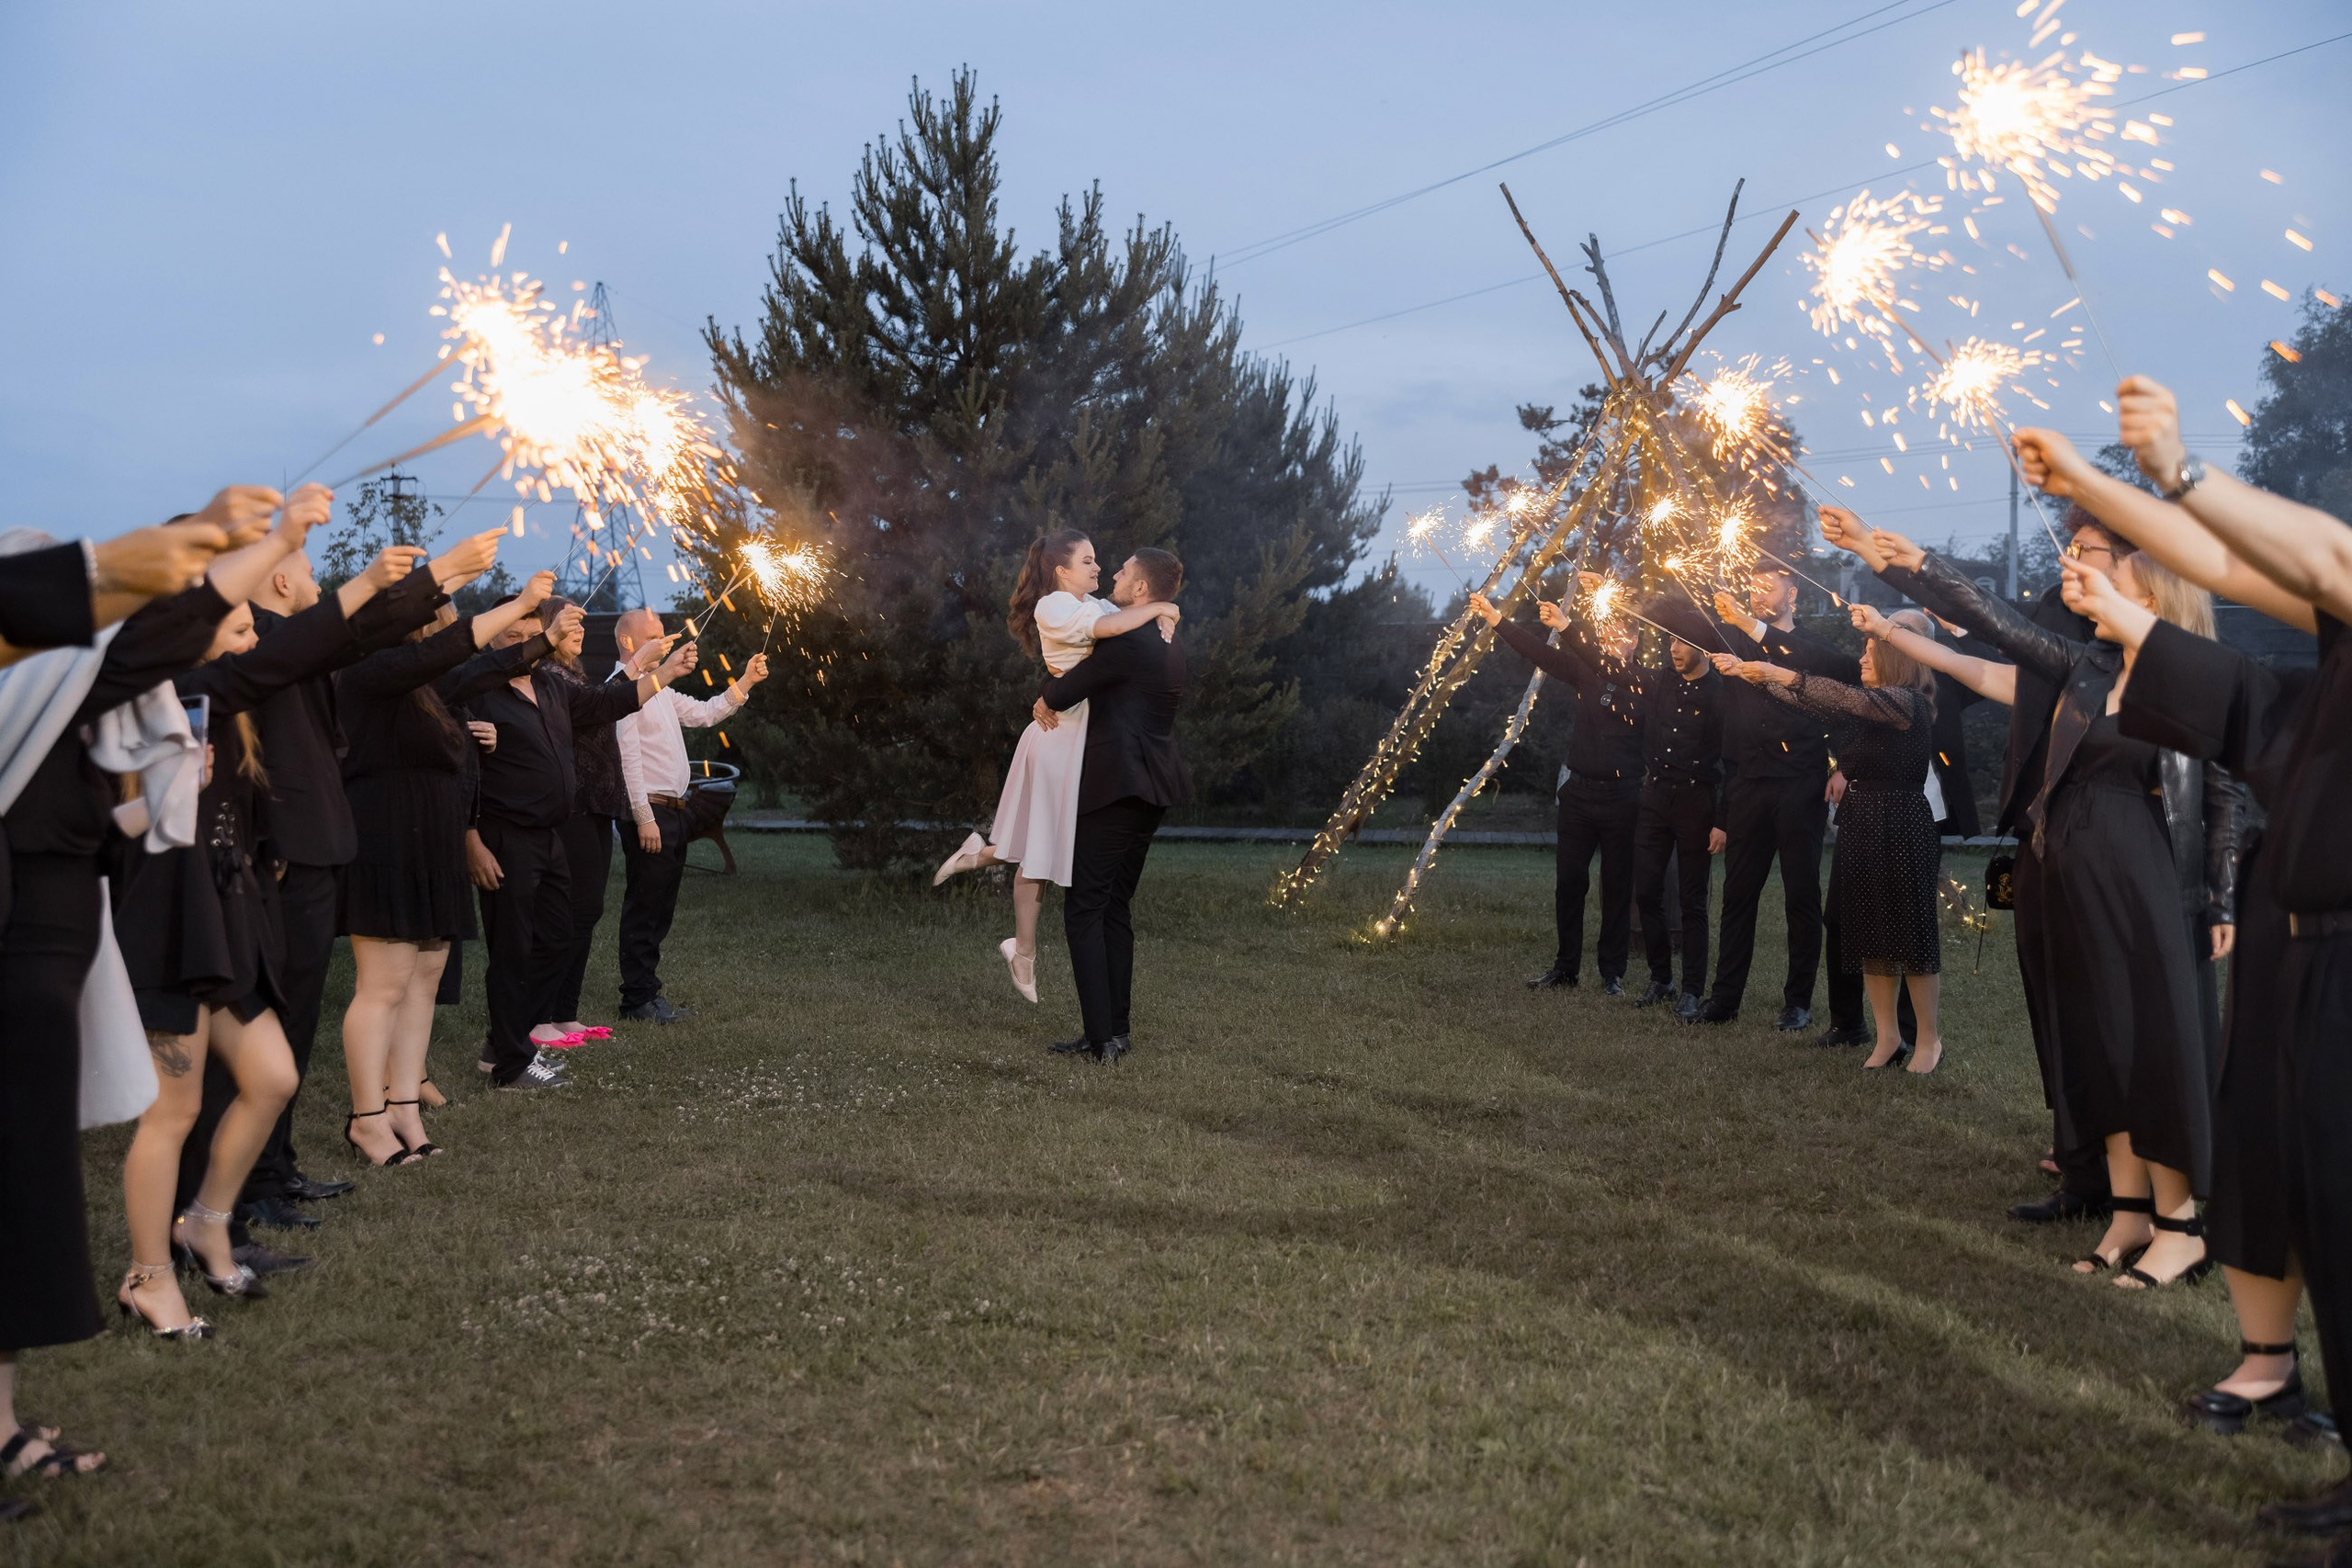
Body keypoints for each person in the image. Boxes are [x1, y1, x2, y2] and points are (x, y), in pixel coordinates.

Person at [2015, 391, 2341, 1454]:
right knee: (2263, 1139)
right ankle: (2266, 1365)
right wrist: (2091, 494)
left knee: (2328, 1163)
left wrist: (2173, 469)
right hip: (2294, 919)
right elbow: (2237, 571)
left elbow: (2317, 556)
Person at [1868, 519, 2242, 1286]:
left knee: (2148, 1046)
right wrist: (1917, 565)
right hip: (2073, 871)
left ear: (2150, 591)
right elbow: (1995, 625)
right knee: (2097, 1041)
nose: (2080, 588)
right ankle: (2128, 1214)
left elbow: (2224, 793)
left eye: (2102, 578)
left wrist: (2224, 895)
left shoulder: (2195, 679)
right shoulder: (2088, 666)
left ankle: (2180, 1228)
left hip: (2141, 879)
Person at [0, 486, 284, 1497]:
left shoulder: (62, 698)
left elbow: (155, 636)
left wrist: (256, 540)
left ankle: (1, 1425)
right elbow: (154, 629)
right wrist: (241, 542)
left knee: (20, 1193)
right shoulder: (27, 678)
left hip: (51, 960)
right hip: (17, 953)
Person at [113, 491, 416, 1335]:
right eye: (237, 620)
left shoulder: (226, 704)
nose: (252, 633)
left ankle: (206, 1221)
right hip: (167, 927)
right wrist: (303, 551)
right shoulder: (159, 688)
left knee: (274, 1076)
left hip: (224, 922)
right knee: (173, 1110)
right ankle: (148, 1275)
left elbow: (281, 664)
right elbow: (118, 821)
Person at [196, 526, 505, 1232]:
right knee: (268, 1025)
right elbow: (365, 631)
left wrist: (450, 584)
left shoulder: (297, 646)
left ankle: (273, 1167)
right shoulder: (271, 647)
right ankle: (242, 1184)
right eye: (307, 568)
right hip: (283, 854)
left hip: (320, 850)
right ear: (279, 581)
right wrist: (438, 573)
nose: (318, 580)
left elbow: (389, 638)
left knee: (295, 1023)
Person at [1819, 505, 2106, 1223]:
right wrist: (1882, 582)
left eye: (2087, 550)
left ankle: (2112, 1160)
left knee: (2095, 1000)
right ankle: (2078, 1145)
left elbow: (1982, 626)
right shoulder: (2052, 666)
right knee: (2051, 995)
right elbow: (1975, 652)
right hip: (2039, 836)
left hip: (2097, 840)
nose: (2069, 561)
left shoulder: (2118, 667)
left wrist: (1902, 563)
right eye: (2068, 547)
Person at [336, 570, 556, 1164]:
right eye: (442, 617)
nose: (451, 627)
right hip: (387, 842)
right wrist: (521, 603)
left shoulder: (432, 686)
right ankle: (366, 1117)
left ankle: (404, 1106)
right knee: (383, 985)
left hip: (432, 845)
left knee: (424, 980)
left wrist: (544, 638)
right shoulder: (371, 668)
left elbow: (482, 666)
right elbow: (457, 654)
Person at [932, 530, 1181, 1002]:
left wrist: (1166, 609)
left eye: (1098, 560)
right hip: (1059, 736)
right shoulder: (1054, 606)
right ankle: (1021, 948)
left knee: (1045, 844)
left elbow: (1126, 619)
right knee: (1043, 848)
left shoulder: (1095, 604)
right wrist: (1162, 607)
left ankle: (987, 874)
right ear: (1062, 571)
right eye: (1088, 561)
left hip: (1082, 737)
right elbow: (1113, 630)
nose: (1099, 567)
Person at [462, 600, 688, 1089]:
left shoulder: (551, 685)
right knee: (514, 948)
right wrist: (471, 837)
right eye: (512, 637)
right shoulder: (478, 691)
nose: (523, 645)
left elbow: (610, 703)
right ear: (493, 641)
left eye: (529, 636)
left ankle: (510, 1041)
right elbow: (459, 765)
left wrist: (666, 672)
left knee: (558, 935)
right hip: (505, 834)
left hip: (552, 833)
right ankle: (508, 1060)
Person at [1716, 607, 1946, 1073]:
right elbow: (1810, 701)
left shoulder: (1905, 703)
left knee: (1909, 933)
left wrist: (1779, 672)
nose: (1861, 659)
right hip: (1860, 818)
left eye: (1870, 652)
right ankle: (1887, 1037)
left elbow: (1835, 694)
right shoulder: (1862, 702)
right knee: (1864, 932)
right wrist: (1751, 674)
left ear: (1894, 659)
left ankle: (1928, 1039)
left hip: (1901, 820)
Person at [1031, 547, 1191, 1061]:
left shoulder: (1127, 643)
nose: (1113, 575)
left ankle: (1101, 1040)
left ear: (1141, 588)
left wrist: (1045, 691)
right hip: (1153, 788)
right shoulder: (1168, 640)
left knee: (1085, 908)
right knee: (1114, 907)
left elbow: (1063, 692)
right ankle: (1114, 1032)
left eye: (1123, 572)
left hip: (1117, 787)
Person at [1465, 581, 1643, 995]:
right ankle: (1566, 968)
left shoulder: (1644, 682)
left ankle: (1612, 973)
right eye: (1607, 632)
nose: (1611, 640)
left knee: (1617, 885)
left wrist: (1566, 626)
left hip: (1623, 797)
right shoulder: (1587, 670)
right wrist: (1496, 619)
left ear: (1635, 640)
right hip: (1580, 795)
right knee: (1570, 883)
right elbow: (1539, 653)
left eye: (1620, 633)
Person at [1694, 566, 1852, 1029]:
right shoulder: (1730, 639)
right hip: (1747, 784)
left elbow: (1845, 697)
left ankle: (1797, 1003)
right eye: (1753, 588)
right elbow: (1683, 622)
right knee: (1738, 894)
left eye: (1768, 587)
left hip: (1801, 784)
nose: (1758, 594)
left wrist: (1843, 764)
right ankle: (1724, 999)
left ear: (1792, 592)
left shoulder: (1812, 648)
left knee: (1801, 896)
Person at [611, 606, 768, 1025]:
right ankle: (637, 1002)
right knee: (645, 908)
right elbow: (627, 756)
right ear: (628, 642)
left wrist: (746, 681)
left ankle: (647, 994)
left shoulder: (660, 687)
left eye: (666, 634)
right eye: (654, 637)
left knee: (660, 908)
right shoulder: (621, 690)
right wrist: (643, 816)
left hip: (673, 812)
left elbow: (704, 713)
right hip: (650, 814)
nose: (666, 643)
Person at [539, 599, 653, 1047]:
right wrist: (645, 667)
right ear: (547, 628)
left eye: (582, 624)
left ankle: (565, 1013)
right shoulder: (549, 675)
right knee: (569, 911)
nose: (581, 630)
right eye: (571, 624)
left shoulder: (573, 672)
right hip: (573, 807)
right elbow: (600, 705)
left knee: (587, 911)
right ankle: (542, 1014)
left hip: (597, 805)